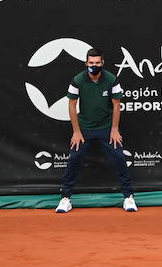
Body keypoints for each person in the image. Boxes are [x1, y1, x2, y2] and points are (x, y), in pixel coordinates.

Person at [55, 48, 138, 214]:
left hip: (107, 128)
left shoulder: (112, 80)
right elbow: (72, 106)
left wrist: (114, 129)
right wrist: (77, 132)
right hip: (84, 129)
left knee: (119, 157)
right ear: (86, 63)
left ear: (102, 63)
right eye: (91, 63)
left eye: (97, 63)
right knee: (74, 158)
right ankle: (66, 198)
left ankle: (128, 197)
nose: (94, 65)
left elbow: (116, 105)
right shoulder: (77, 80)